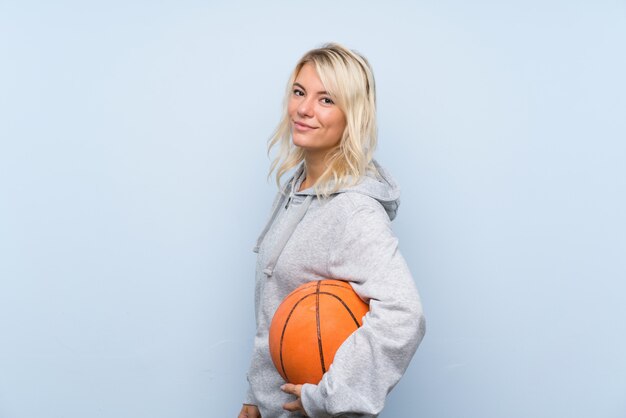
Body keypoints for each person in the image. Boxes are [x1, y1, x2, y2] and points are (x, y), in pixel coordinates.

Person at [238, 42, 426, 418]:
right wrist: (255, 396)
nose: (304, 109)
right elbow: (276, 305)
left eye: (326, 100)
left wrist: (330, 398)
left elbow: (404, 314)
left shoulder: (352, 209)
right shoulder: (296, 189)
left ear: (352, 114)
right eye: (299, 92)